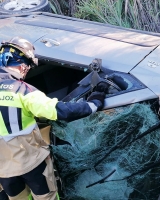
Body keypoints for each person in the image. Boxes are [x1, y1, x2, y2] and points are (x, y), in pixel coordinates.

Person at [0, 37, 106, 200]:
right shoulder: (22, 91)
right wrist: (94, 102)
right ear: (22, 65)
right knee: (46, 197)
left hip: (3, 170)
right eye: (28, 66)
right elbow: (61, 111)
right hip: (32, 164)